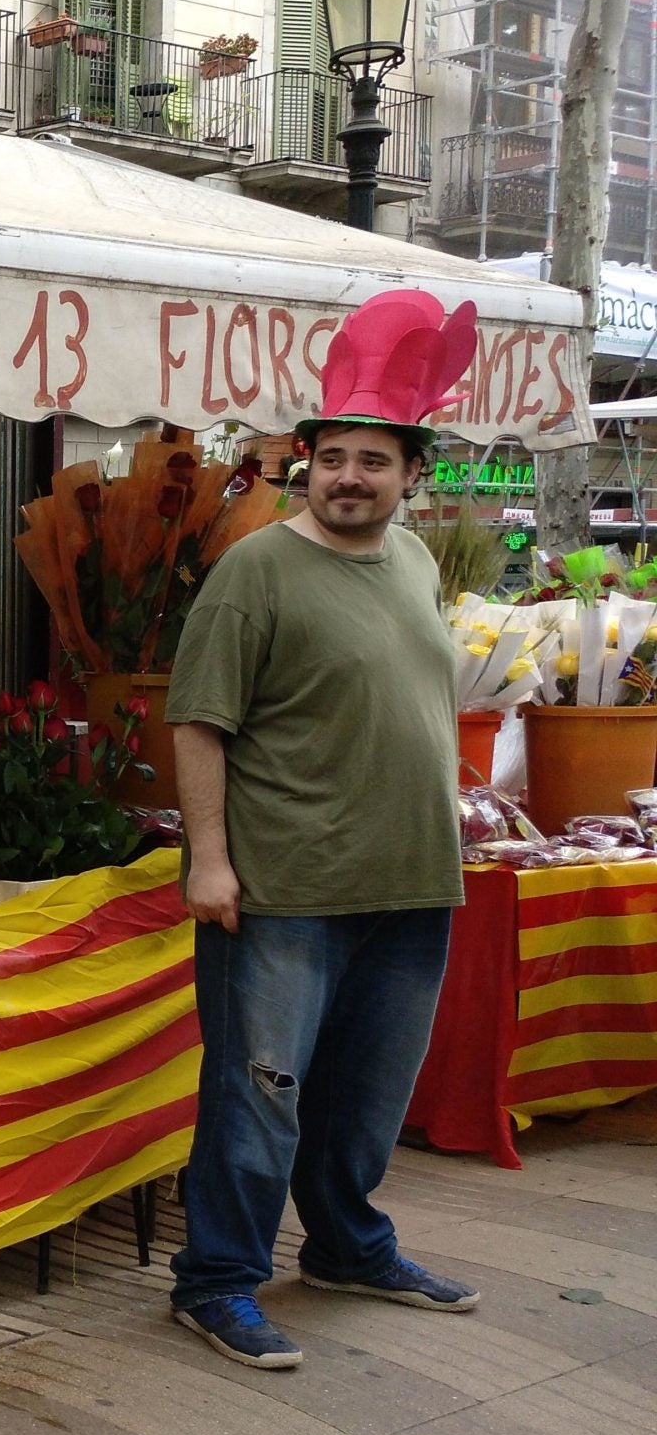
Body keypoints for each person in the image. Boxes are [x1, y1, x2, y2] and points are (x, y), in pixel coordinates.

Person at [166, 289, 482, 1372]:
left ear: (409, 473)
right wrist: (207, 859)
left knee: (364, 1100)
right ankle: (215, 1280)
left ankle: (348, 1247)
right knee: (258, 1099)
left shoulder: (411, 563)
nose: (349, 476)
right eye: (333, 457)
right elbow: (197, 721)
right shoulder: (256, 569)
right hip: (284, 890)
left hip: (409, 884)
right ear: (304, 462)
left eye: (373, 460)